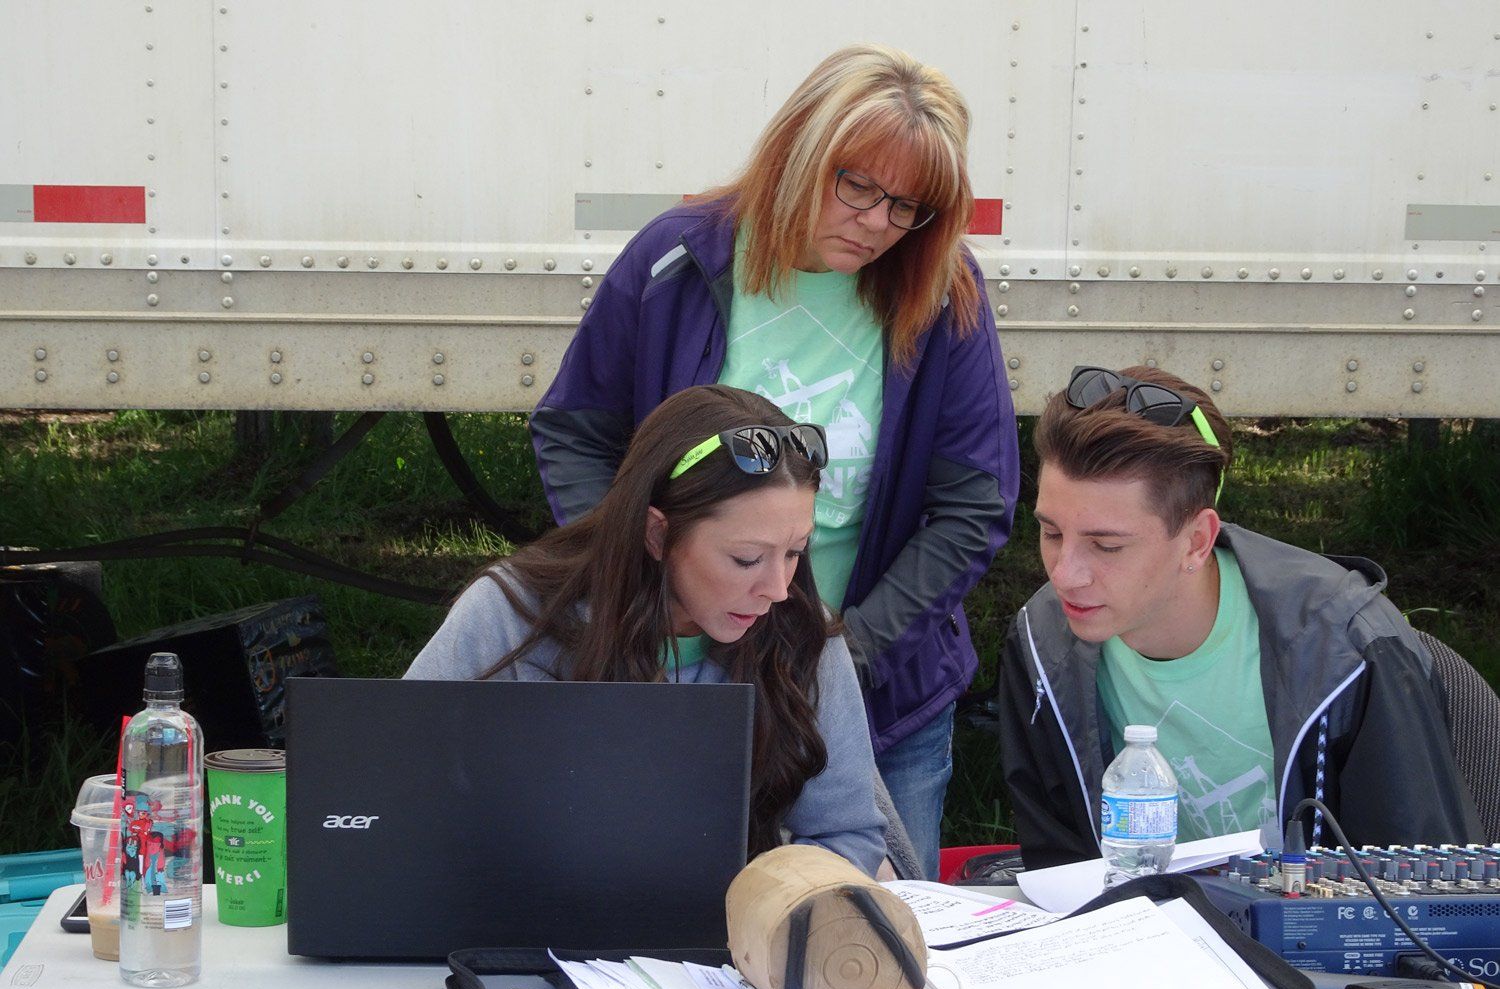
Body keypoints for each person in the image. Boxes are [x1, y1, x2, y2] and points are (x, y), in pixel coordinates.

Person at [530, 45, 1020, 878]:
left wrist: (843, 653)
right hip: (682, 672)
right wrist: (630, 574)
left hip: (880, 687)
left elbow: (974, 502)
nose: (875, 222)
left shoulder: (944, 287)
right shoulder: (680, 256)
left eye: (906, 206)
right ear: (798, 147)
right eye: (856, 185)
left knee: (874, 940)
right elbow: (575, 430)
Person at [998, 365, 1484, 871]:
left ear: (1196, 541)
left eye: (1106, 545)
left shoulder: (1347, 646)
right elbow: (1060, 867)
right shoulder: (1041, 640)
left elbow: (1426, 892)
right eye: (1051, 533)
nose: (1066, 576)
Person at [407, 385, 888, 877]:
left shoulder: (802, 631)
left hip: (729, 943)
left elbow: (846, 835)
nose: (778, 589)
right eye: (747, 559)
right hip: (517, 929)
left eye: (794, 552)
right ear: (657, 533)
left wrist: (767, 909)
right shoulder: (511, 612)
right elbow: (399, 785)